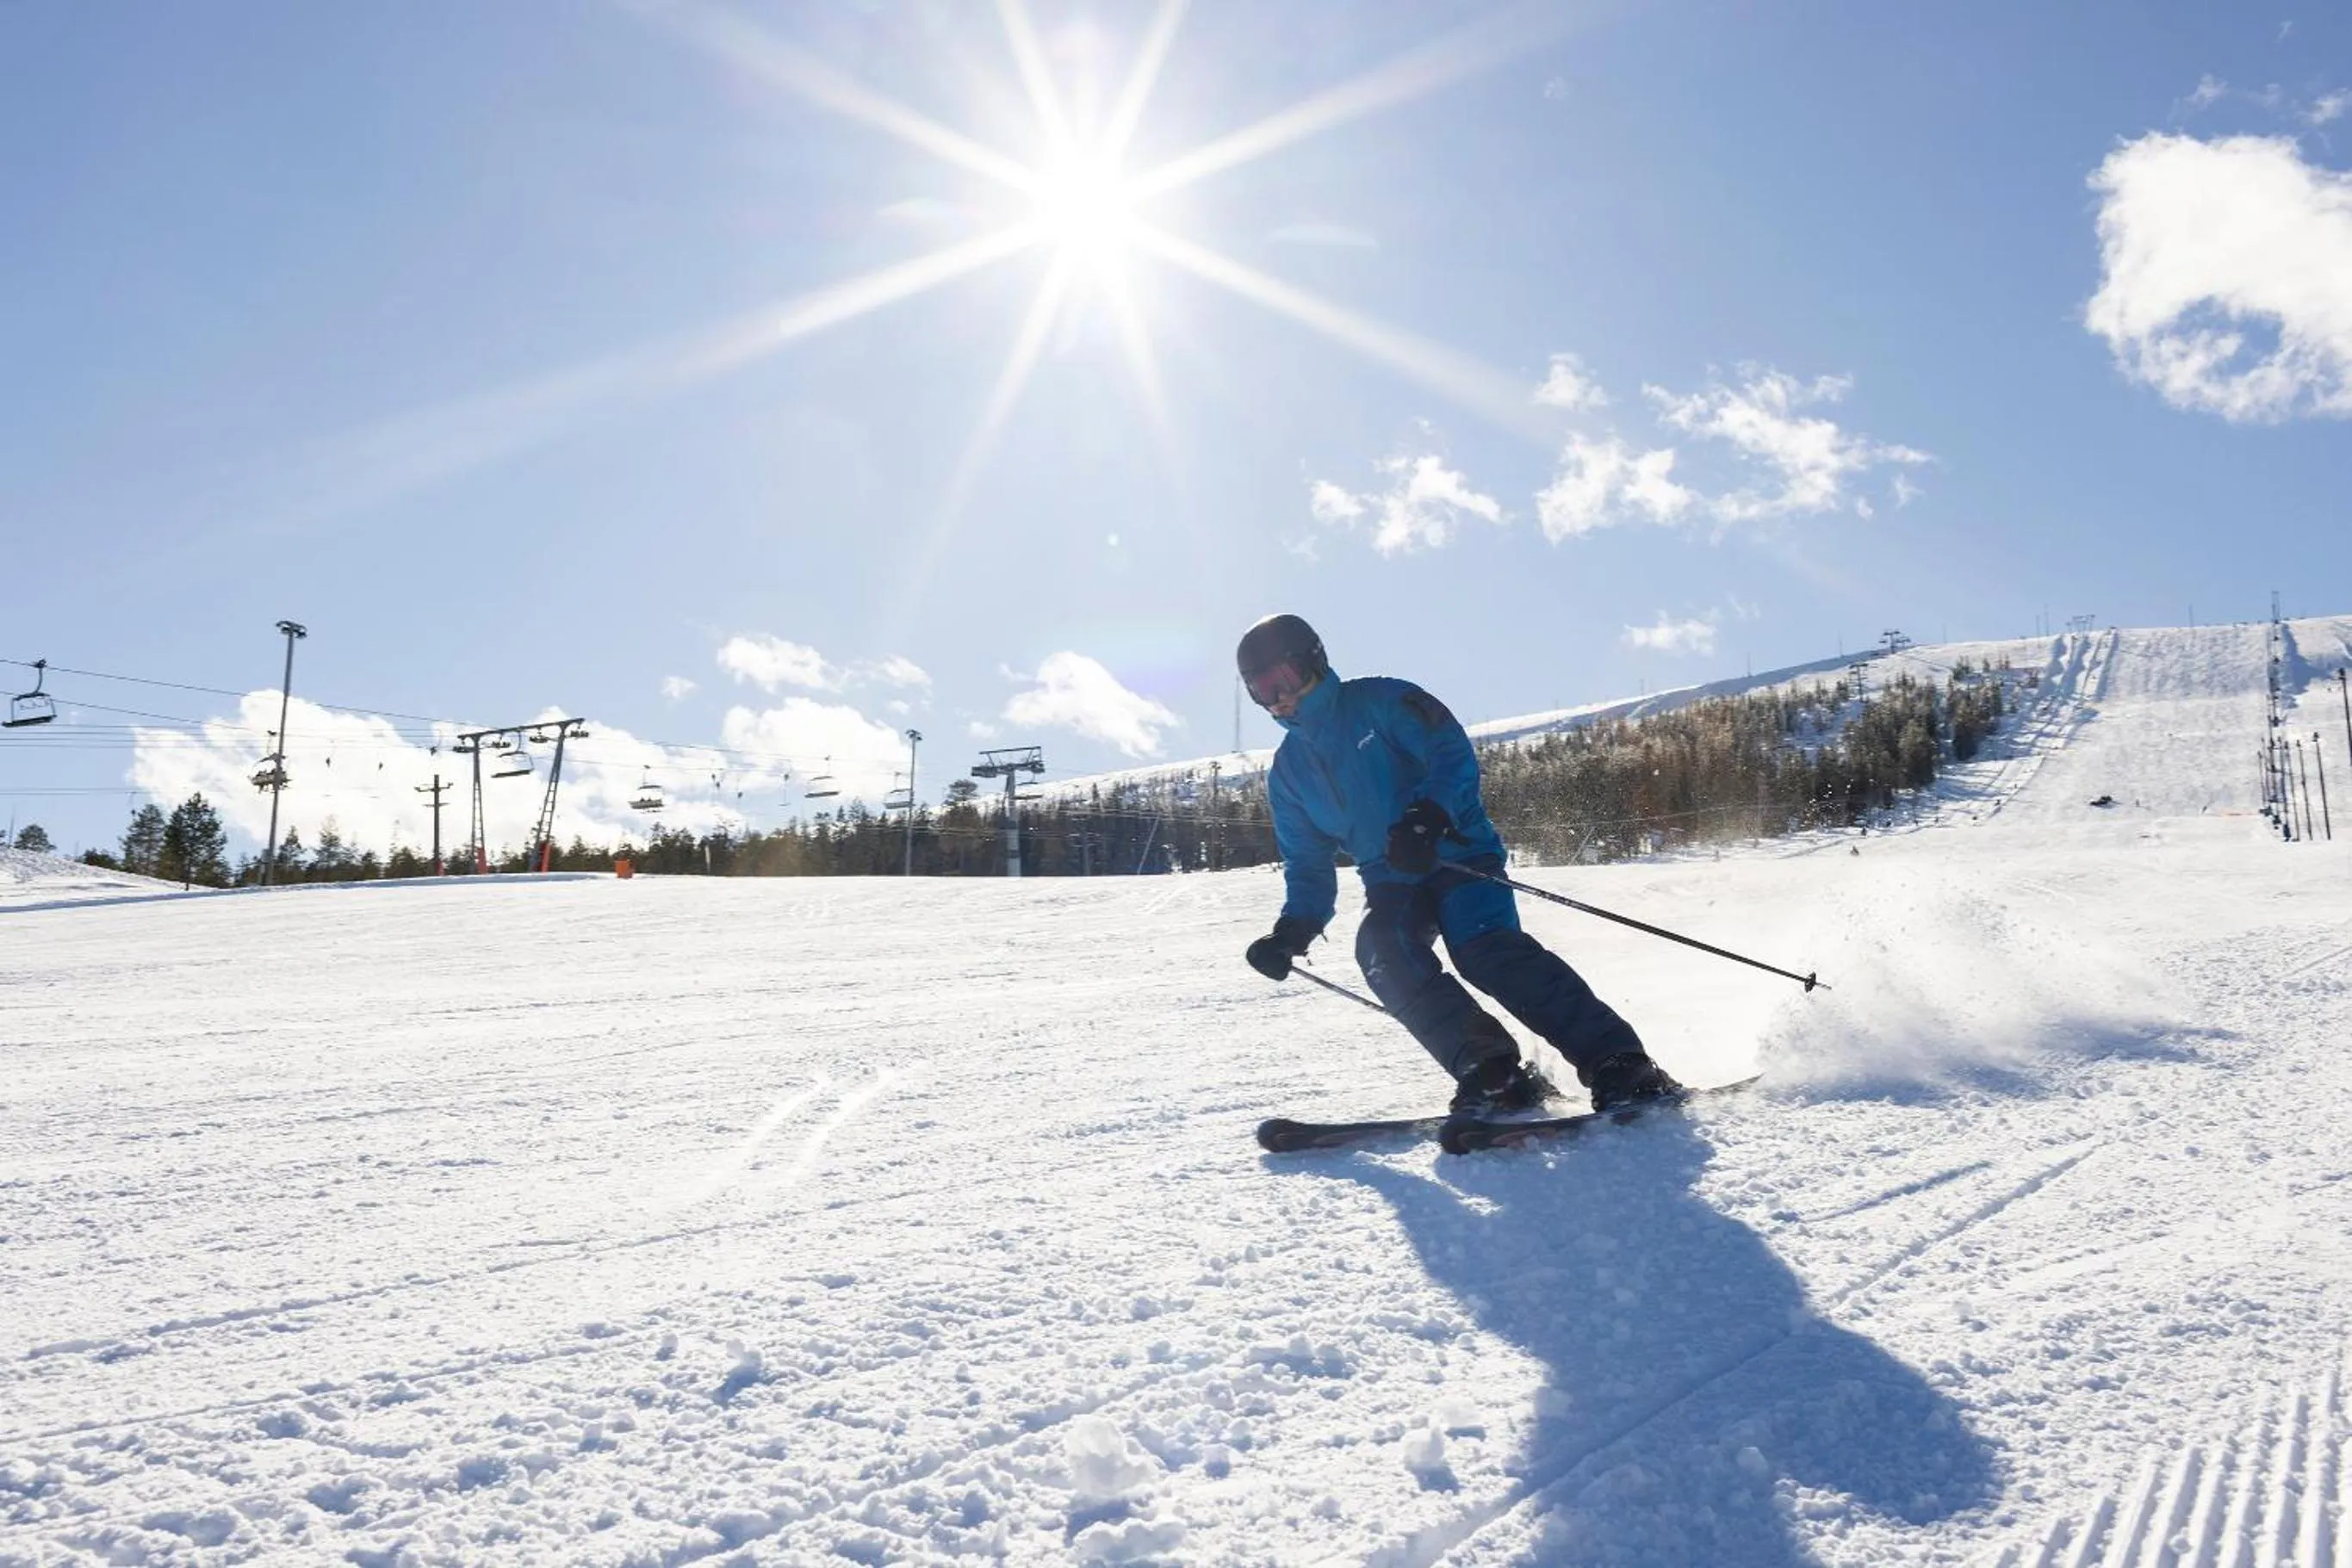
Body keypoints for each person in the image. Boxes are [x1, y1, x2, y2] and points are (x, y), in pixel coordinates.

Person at [1236, 612, 1681, 1116]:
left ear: (1313, 662)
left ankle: (1619, 1061)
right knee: (1382, 951)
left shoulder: (1382, 701)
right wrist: (1293, 930)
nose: (1277, 699)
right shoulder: (1289, 773)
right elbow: (1306, 862)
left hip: (1457, 852)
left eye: (1283, 680)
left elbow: (1449, 753)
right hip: (1390, 879)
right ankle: (1490, 1071)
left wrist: (1429, 817)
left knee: (1483, 948)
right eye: (1261, 690)